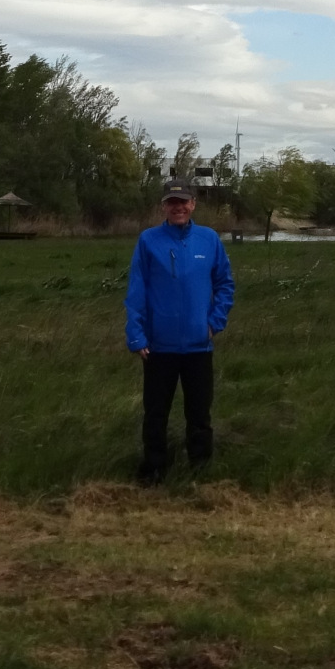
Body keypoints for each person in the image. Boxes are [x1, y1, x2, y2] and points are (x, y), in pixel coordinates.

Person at [125, 180, 235, 484]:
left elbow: (225, 284)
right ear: (164, 206)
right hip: (159, 346)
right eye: (172, 202)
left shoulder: (209, 240)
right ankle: (154, 471)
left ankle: (200, 471)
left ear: (193, 204)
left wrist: (214, 322)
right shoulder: (148, 241)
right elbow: (137, 291)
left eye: (183, 202)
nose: (178, 207)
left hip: (199, 346)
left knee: (200, 416)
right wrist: (136, 335)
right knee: (156, 414)